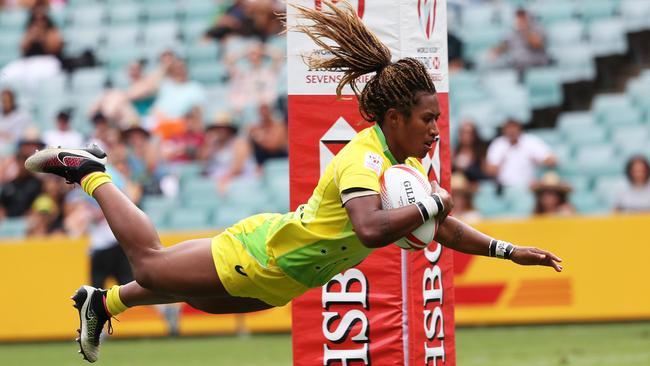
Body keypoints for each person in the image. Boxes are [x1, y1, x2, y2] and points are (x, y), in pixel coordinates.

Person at [24, 2, 562, 363]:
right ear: (395, 117)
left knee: (198, 300)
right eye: (427, 119)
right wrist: (431, 205)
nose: (434, 129)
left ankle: (102, 304)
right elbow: (372, 230)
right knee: (151, 265)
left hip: (282, 279)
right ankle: (90, 172)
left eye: (437, 120)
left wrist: (507, 250)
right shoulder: (363, 160)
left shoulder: (408, 167)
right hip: (262, 255)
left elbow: (439, 225)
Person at [485, 119, 556, 188]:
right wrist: (501, 162)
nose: (511, 131)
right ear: (504, 130)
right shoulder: (498, 144)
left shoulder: (531, 141)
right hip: (504, 188)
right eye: (509, 128)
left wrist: (538, 161)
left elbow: (552, 161)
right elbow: (489, 171)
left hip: (528, 187)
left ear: (520, 128)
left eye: (514, 127)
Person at [485, 8, 549, 72]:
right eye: (519, 17)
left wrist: (525, 30)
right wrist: (495, 51)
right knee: (494, 68)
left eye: (523, 16)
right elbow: (504, 46)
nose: (520, 19)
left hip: (535, 63)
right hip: (516, 64)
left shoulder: (538, 28)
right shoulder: (513, 32)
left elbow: (537, 44)